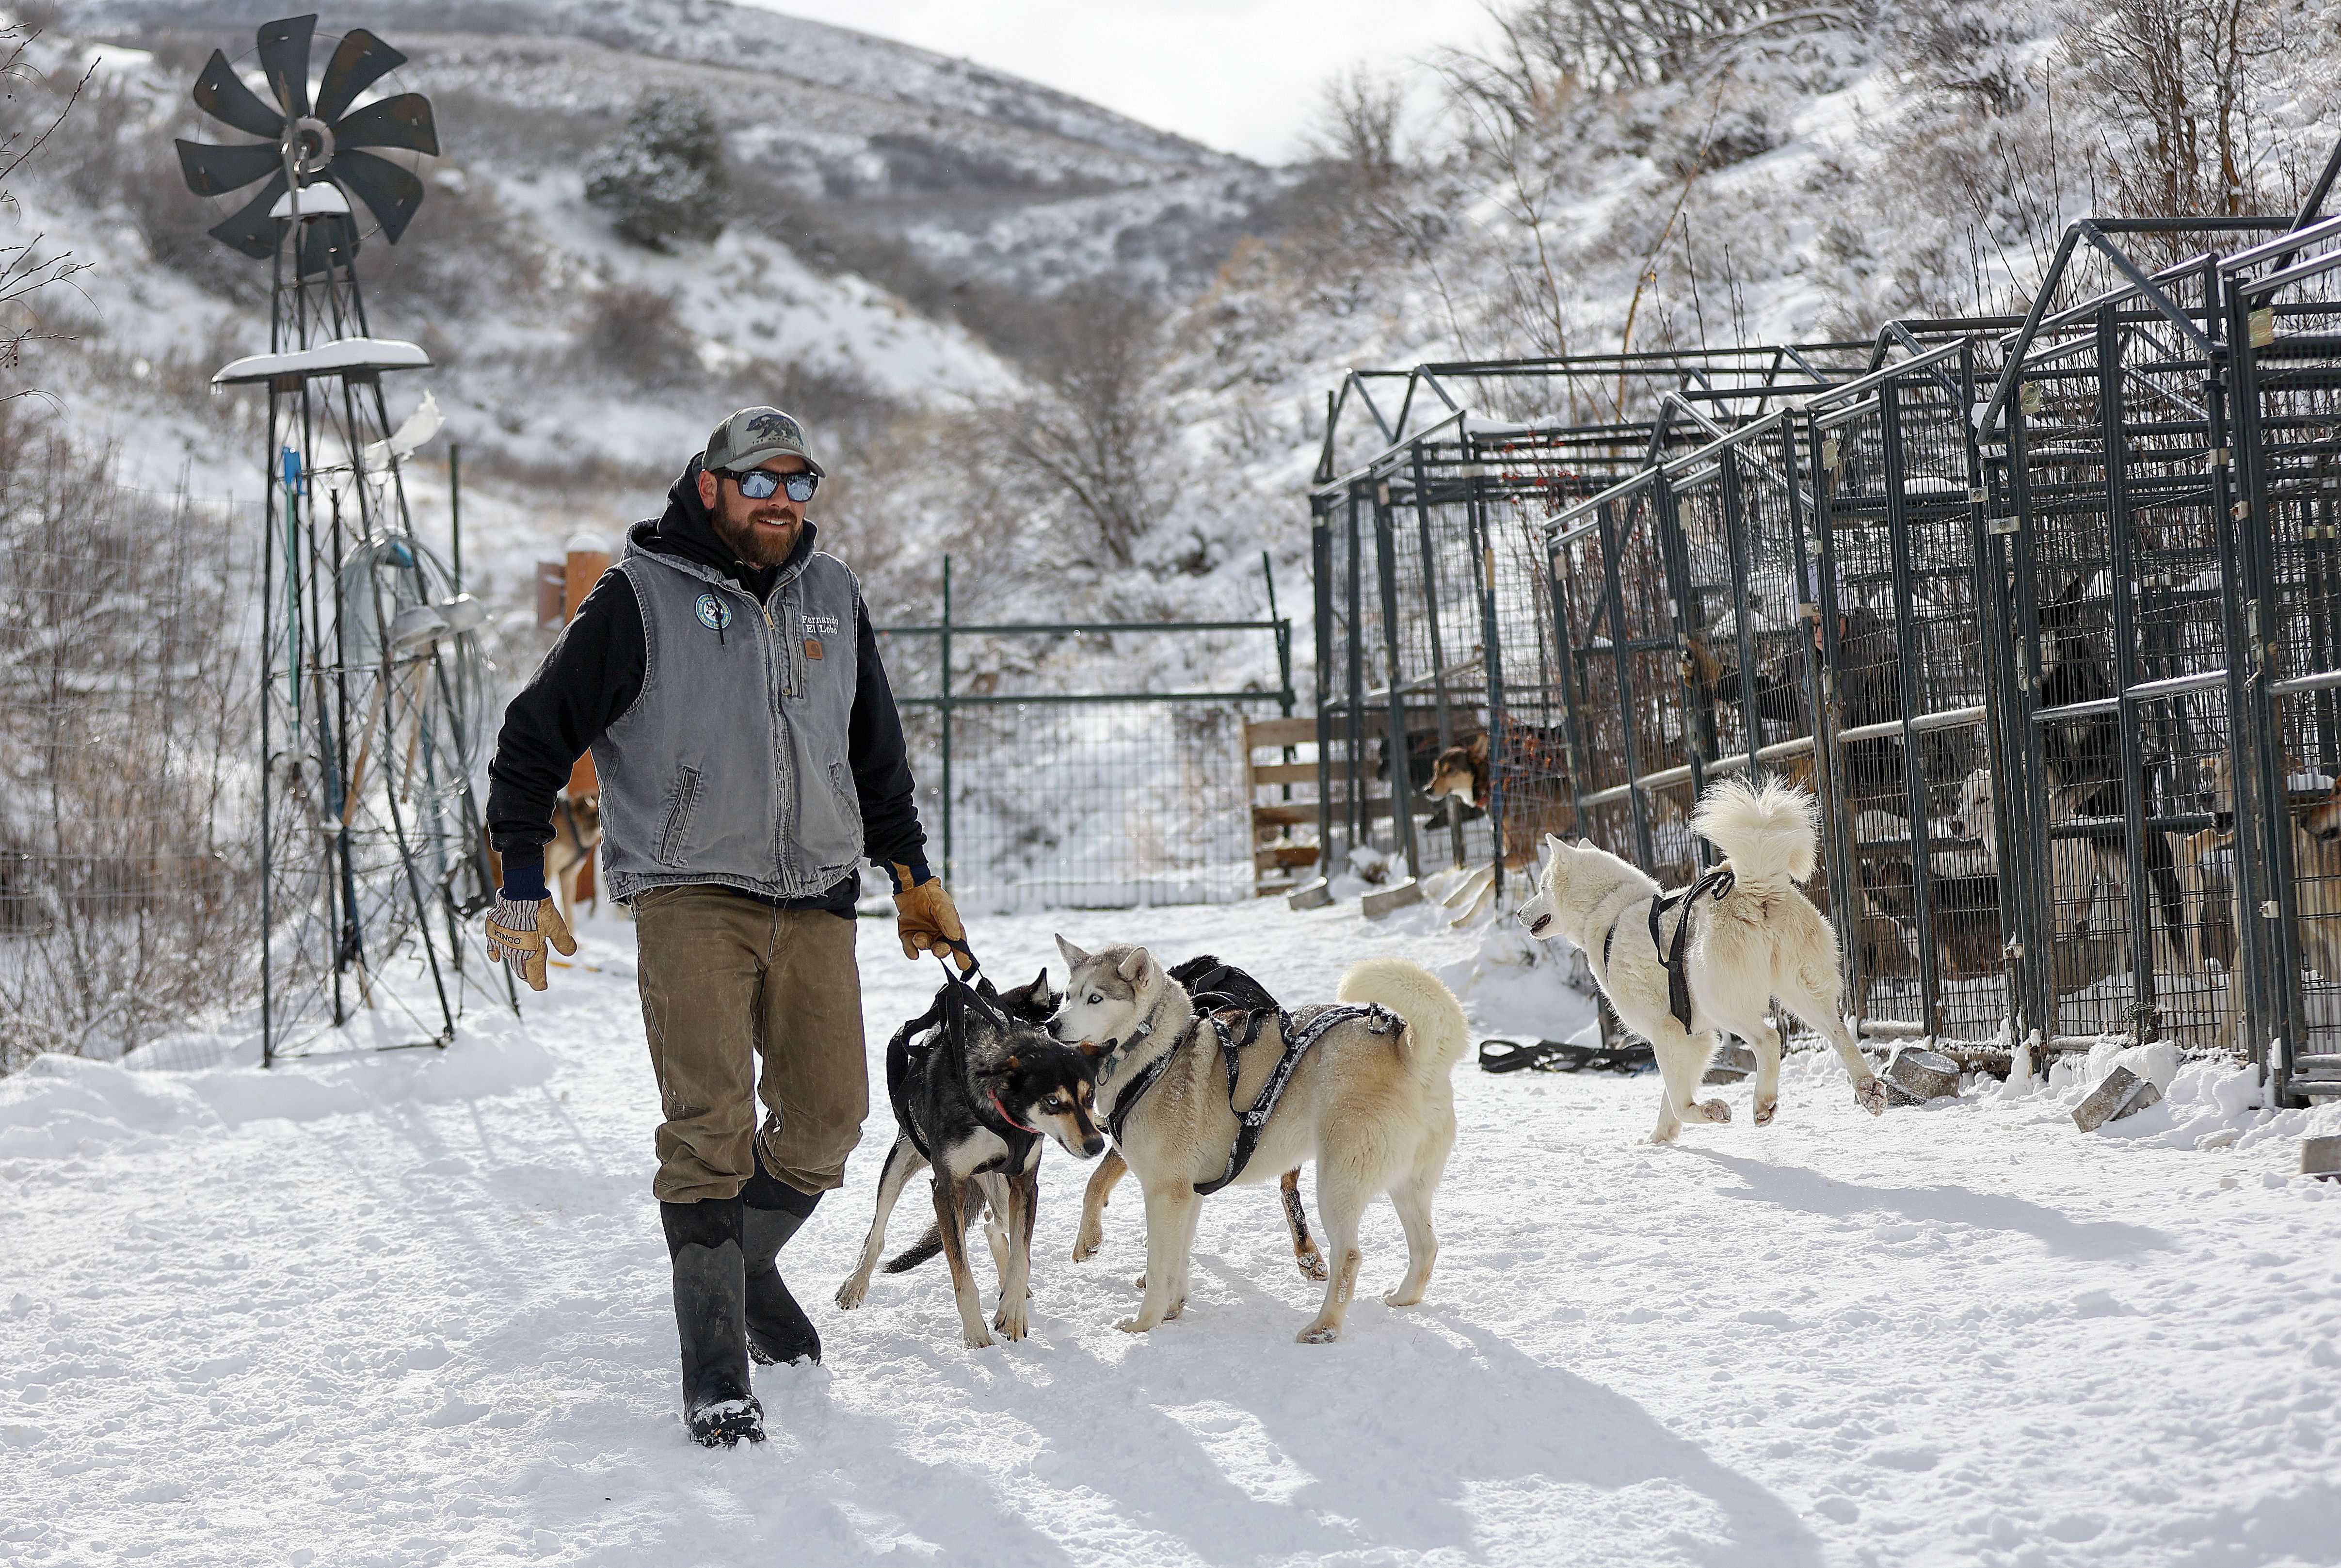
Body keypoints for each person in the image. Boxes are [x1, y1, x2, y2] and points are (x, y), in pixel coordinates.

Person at [479, 407, 971, 1448]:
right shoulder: (638, 599)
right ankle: (714, 1373)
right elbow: (532, 739)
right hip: (689, 890)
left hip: (818, 895)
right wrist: (520, 877)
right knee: (709, 1128)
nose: (783, 504)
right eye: (761, 484)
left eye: (800, 486)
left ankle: (740, 1269)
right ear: (709, 486)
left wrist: (911, 872)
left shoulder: (832, 596)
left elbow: (873, 746)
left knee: (830, 1120)